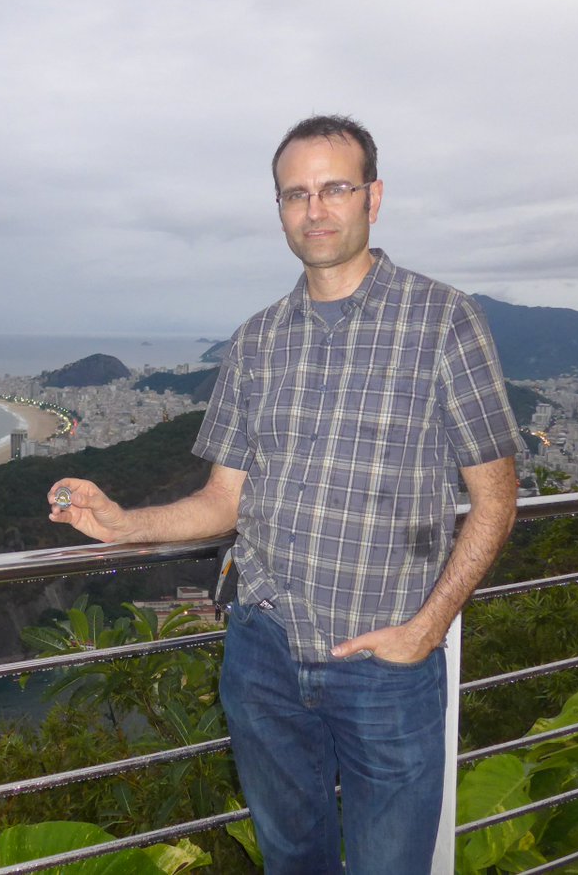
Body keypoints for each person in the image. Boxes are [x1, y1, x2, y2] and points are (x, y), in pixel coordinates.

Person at [48, 115, 522, 874]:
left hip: (385, 663)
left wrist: (429, 627)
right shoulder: (257, 340)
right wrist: (123, 526)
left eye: (335, 187)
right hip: (264, 656)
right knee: (290, 861)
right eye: (295, 193)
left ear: (374, 196)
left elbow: (497, 497)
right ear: (279, 210)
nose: (316, 209)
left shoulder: (442, 321)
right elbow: (222, 500)